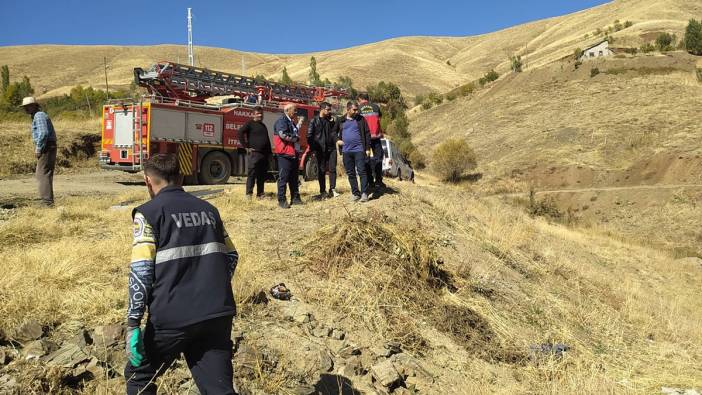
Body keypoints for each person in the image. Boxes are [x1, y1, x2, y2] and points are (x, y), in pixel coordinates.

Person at [124, 154, 239, 395]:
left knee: (140, 375)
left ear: (147, 180)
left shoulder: (148, 214)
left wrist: (133, 323)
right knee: (218, 388)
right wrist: (209, 285)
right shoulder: (210, 210)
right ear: (181, 175)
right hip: (217, 313)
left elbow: (141, 270)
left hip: (172, 318)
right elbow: (231, 257)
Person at [21, 97, 57, 206]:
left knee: (42, 174)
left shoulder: (39, 116)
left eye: (28, 106)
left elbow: (43, 133)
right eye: (25, 107)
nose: (26, 108)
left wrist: (38, 148)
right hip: (49, 145)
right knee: (45, 173)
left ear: (35, 106)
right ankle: (48, 201)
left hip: (46, 146)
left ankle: (47, 202)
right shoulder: (38, 115)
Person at [338, 102, 371, 202]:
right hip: (346, 151)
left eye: (357, 110)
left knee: (361, 171)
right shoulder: (341, 120)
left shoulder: (361, 119)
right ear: (348, 110)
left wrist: (368, 148)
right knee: (350, 173)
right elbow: (333, 132)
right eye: (354, 110)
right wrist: (337, 139)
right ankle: (355, 193)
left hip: (359, 149)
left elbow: (367, 133)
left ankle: (364, 193)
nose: (357, 112)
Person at [273, 103, 304, 209]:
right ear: (287, 110)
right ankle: (281, 200)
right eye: (294, 110)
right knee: (283, 178)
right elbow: (283, 134)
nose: (296, 112)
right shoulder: (282, 121)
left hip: (292, 153)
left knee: (294, 178)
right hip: (284, 154)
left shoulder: (291, 122)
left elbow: (294, 132)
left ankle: (295, 198)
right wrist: (295, 138)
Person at [307, 102, 340, 199]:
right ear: (322, 109)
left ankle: (332, 189)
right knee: (321, 170)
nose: (330, 111)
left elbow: (335, 131)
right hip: (320, 149)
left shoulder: (331, 120)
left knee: (332, 169)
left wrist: (333, 122)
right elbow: (309, 135)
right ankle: (322, 191)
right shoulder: (314, 121)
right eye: (328, 109)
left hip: (332, 148)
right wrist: (313, 148)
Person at [240, 106, 271, 199]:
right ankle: (249, 194)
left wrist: (270, 154)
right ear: (253, 114)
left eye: (261, 113)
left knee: (261, 175)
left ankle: (260, 194)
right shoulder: (250, 124)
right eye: (258, 113)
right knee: (252, 174)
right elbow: (240, 133)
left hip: (264, 154)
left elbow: (267, 140)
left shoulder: (263, 125)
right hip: (254, 154)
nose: (260, 115)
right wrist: (246, 147)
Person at [357, 93, 385, 190]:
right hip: (376, 137)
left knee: (366, 159)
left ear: (360, 99)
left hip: (364, 138)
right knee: (379, 158)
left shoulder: (358, 108)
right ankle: (378, 180)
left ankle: (370, 181)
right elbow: (379, 119)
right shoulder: (376, 107)